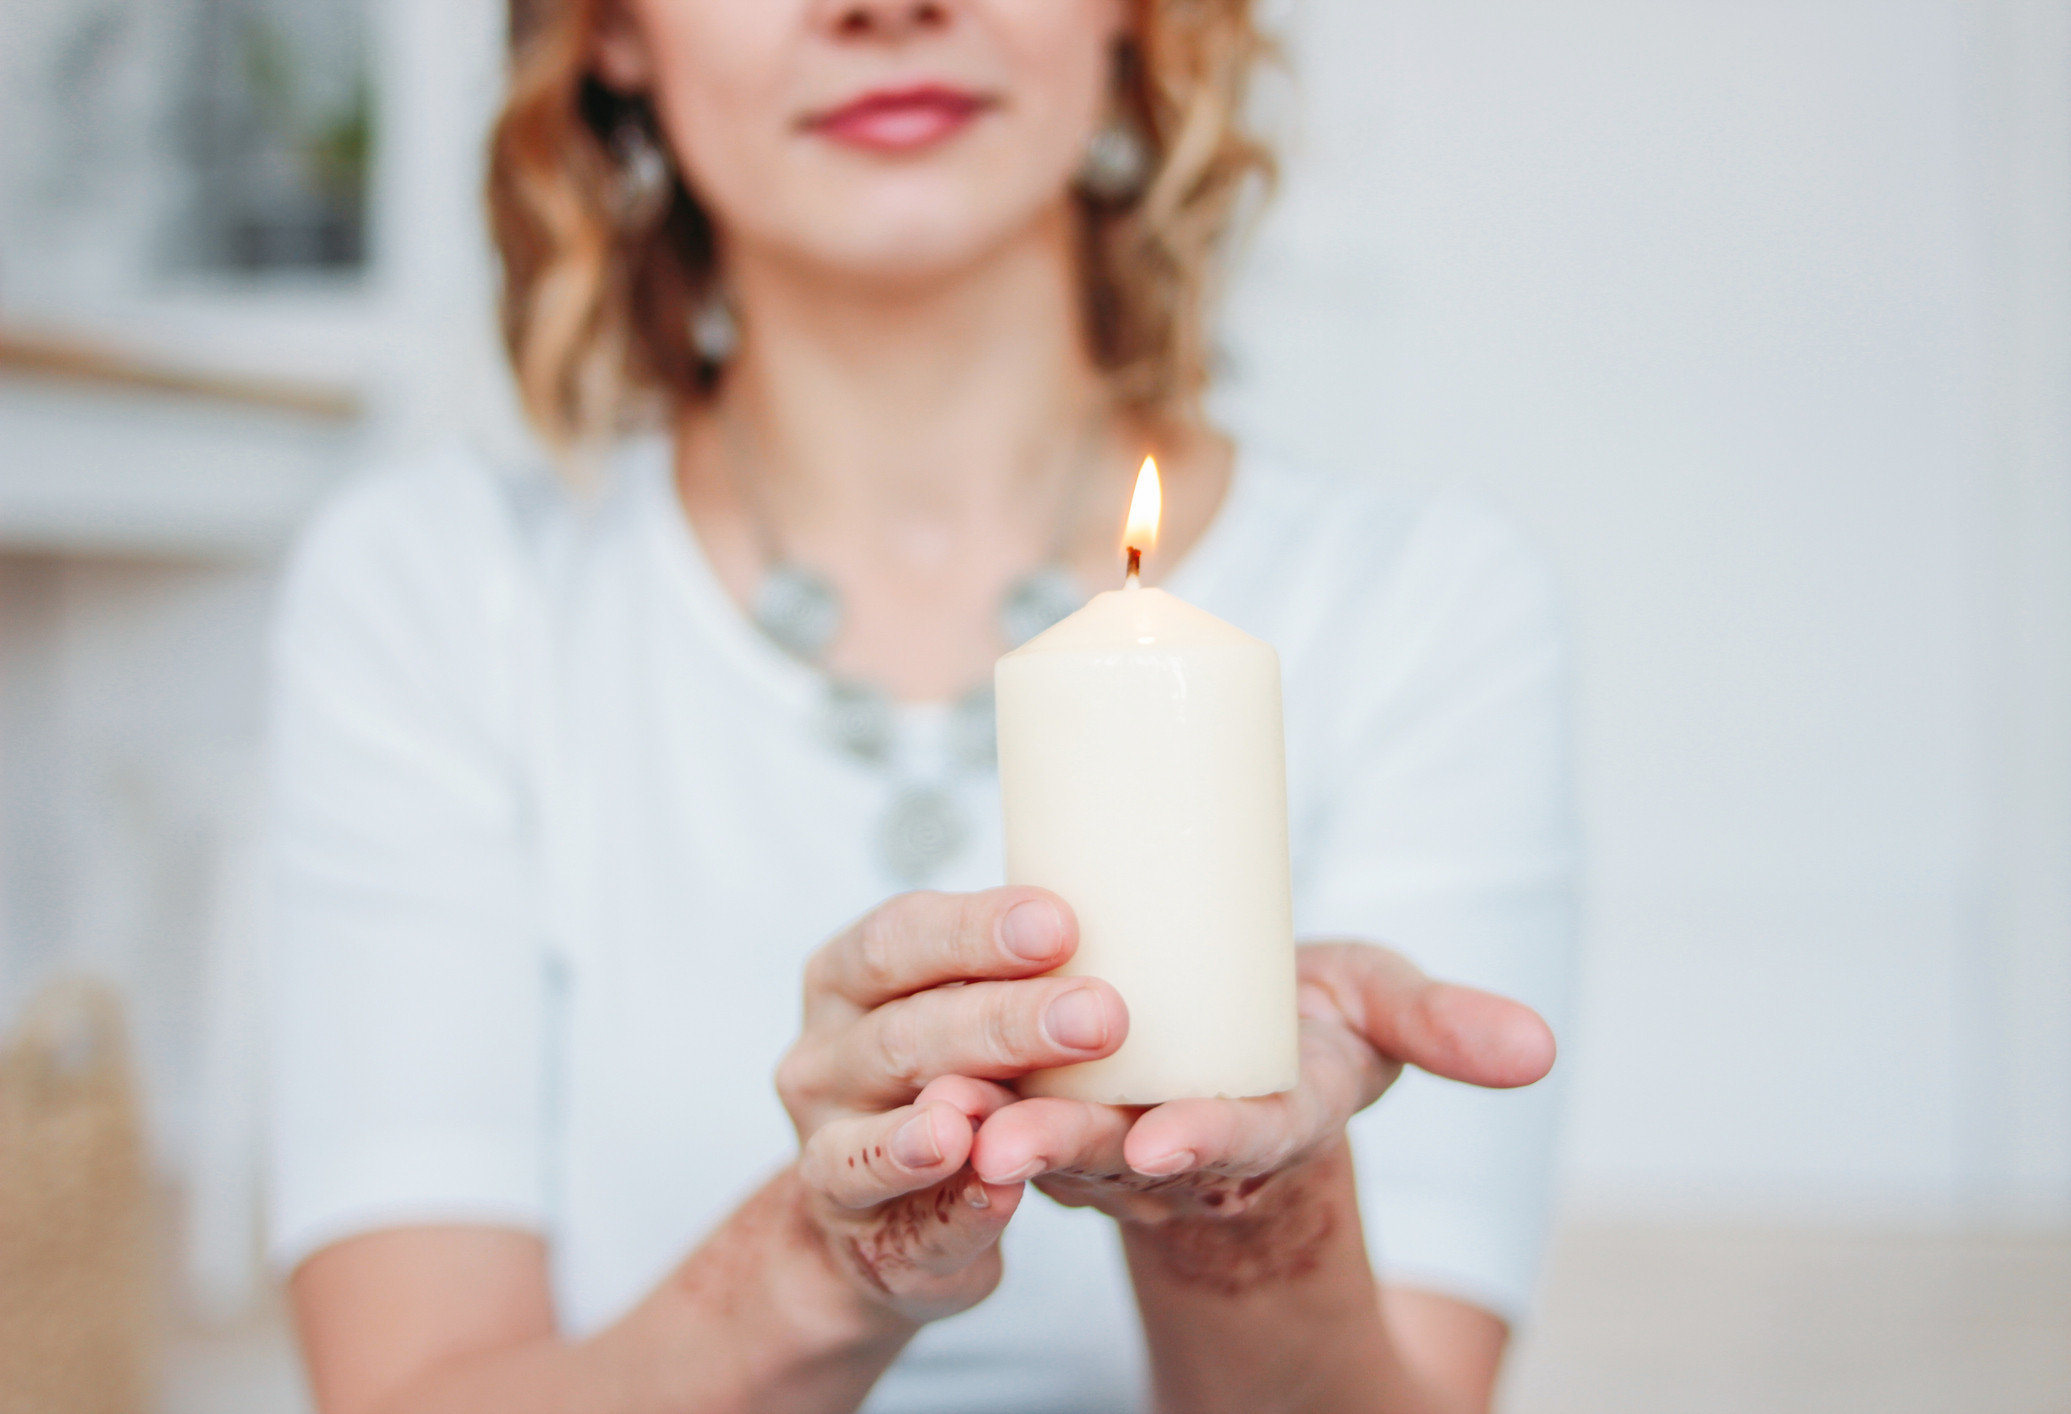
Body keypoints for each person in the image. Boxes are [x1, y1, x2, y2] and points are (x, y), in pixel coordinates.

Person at [265, 2, 1576, 1411]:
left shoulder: (1418, 607)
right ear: (607, 31)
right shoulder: (439, 593)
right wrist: (822, 1261)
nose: (885, 7)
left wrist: (1249, 1198)